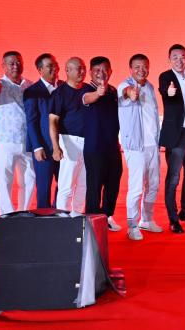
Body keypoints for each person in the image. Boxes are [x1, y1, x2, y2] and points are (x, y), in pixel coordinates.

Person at [117, 53, 162, 241]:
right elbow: (125, 92)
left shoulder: (150, 87)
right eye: (137, 67)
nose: (141, 70)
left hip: (152, 145)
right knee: (136, 188)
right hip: (136, 147)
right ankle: (132, 225)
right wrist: (130, 93)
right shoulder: (123, 85)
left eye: (144, 66)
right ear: (130, 69)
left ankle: (147, 219)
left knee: (153, 184)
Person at [158, 44, 185, 234]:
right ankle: (173, 218)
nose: (179, 60)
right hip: (176, 136)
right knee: (174, 178)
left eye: (182, 56)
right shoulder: (166, 77)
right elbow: (164, 90)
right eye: (175, 57)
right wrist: (168, 92)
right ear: (169, 60)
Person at [0, 51, 35, 215]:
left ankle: (24, 212)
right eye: (11, 63)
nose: (15, 66)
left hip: (27, 141)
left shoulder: (29, 85)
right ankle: (6, 216)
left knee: (29, 180)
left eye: (18, 63)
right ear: (3, 66)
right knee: (4, 181)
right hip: (6, 141)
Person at [82, 56, 123, 232]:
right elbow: (86, 99)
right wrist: (98, 93)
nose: (101, 73)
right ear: (90, 72)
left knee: (113, 182)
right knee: (94, 185)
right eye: (97, 70)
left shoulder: (113, 91)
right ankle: (91, 221)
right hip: (94, 147)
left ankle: (107, 216)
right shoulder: (85, 89)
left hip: (112, 146)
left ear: (111, 71)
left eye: (105, 69)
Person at [49, 57, 91, 214]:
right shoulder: (59, 93)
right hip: (68, 140)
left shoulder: (88, 89)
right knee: (66, 185)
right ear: (67, 70)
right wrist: (56, 147)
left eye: (83, 68)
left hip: (89, 143)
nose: (82, 71)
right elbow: (53, 121)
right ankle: (62, 219)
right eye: (78, 68)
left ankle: (77, 218)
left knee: (83, 184)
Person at [24, 53, 61, 209]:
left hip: (63, 146)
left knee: (64, 184)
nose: (54, 68)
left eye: (55, 65)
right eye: (49, 66)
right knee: (44, 186)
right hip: (44, 147)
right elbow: (31, 121)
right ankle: (44, 217)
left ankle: (59, 212)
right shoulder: (32, 91)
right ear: (40, 70)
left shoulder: (63, 87)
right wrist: (37, 146)